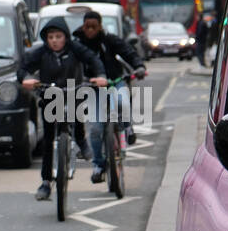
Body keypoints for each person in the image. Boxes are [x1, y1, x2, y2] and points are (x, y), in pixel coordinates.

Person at [19, 16, 107, 201]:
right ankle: (45, 182)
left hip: (72, 90)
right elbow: (23, 67)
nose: (54, 41)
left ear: (65, 37)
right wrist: (25, 79)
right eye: (50, 37)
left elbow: (93, 60)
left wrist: (100, 75)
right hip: (50, 95)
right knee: (49, 139)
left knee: (76, 114)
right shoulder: (41, 52)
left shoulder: (75, 48)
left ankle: (82, 142)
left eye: (58, 36)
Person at [72, 10, 147, 181]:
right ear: (83, 27)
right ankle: (98, 165)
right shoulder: (77, 44)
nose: (90, 30)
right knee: (95, 130)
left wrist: (139, 66)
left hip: (115, 81)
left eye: (94, 27)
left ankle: (127, 128)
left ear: (100, 27)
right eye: (87, 27)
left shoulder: (110, 40)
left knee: (122, 102)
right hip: (92, 88)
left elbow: (128, 52)